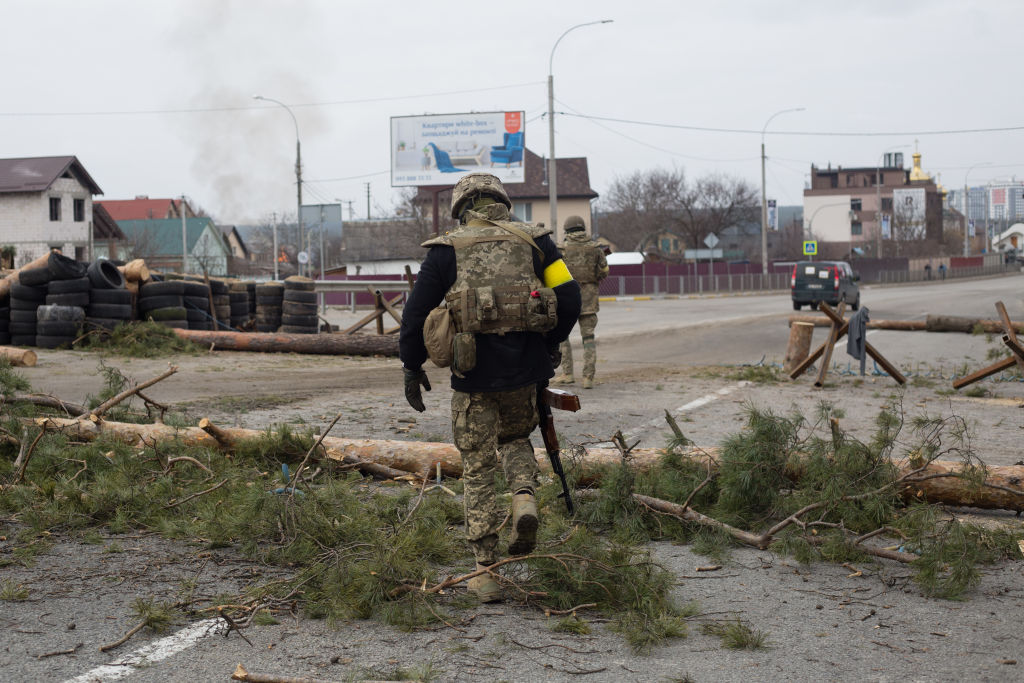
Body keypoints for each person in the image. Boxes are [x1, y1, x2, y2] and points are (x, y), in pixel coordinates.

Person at [399, 173, 581, 602]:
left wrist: (411, 366)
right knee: (517, 438)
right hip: (526, 373)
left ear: (462, 208)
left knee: (479, 466)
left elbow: (414, 313)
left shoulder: (446, 251)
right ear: (502, 202)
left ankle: (486, 573)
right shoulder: (538, 243)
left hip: (473, 378)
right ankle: (523, 498)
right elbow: (570, 297)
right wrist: (551, 344)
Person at [553, 215, 609, 389]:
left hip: (567, 299)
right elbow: (604, 271)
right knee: (588, 339)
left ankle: (568, 373)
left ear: (567, 230)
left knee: (563, 338)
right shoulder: (596, 248)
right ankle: (588, 378)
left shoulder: (561, 249)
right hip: (589, 298)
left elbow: (554, 275)